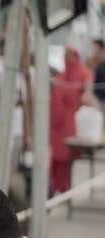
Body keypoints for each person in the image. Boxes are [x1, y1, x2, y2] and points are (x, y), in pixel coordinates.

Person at [50, 47, 96, 193]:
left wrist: (87, 95)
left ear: (76, 57)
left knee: (65, 156)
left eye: (69, 56)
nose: (66, 59)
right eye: (65, 56)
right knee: (55, 157)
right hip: (56, 122)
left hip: (70, 122)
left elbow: (88, 91)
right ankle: (54, 186)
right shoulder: (61, 76)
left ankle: (64, 187)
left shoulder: (84, 73)